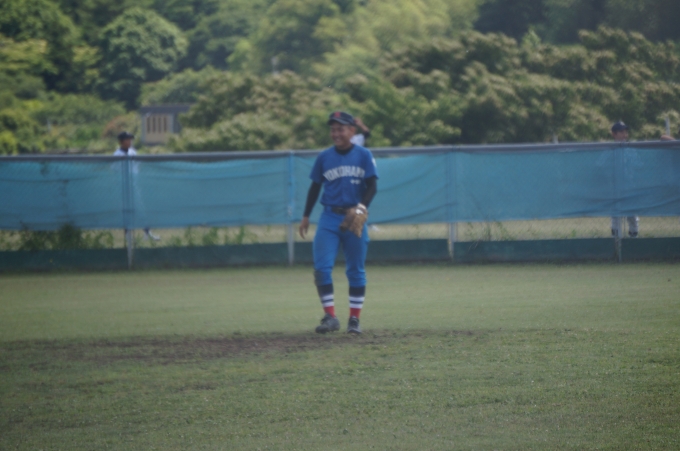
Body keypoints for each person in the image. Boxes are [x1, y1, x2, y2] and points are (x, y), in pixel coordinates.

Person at [299, 111, 378, 334]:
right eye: (333, 129)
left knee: (356, 270)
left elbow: (372, 186)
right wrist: (306, 215)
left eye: (340, 129)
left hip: (354, 216)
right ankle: (330, 317)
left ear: (352, 131)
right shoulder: (324, 157)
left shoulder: (363, 155)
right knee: (322, 268)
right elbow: (315, 187)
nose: (336, 133)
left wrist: (361, 207)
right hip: (329, 217)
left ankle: (354, 320)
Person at [114, 131, 160, 241]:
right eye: (127, 139)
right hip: (123, 187)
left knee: (140, 209)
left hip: (134, 185)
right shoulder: (117, 154)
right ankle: (128, 238)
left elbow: (137, 167)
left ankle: (147, 233)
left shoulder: (132, 151)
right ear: (121, 141)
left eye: (130, 139)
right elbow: (115, 170)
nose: (130, 141)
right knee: (126, 212)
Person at [610, 121, 639, 238]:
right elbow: (600, 166)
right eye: (621, 132)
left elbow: (638, 167)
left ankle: (633, 241)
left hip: (630, 188)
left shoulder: (630, 149)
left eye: (625, 132)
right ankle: (616, 243)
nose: (624, 135)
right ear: (614, 134)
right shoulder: (609, 150)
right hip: (614, 188)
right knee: (615, 217)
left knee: (632, 216)